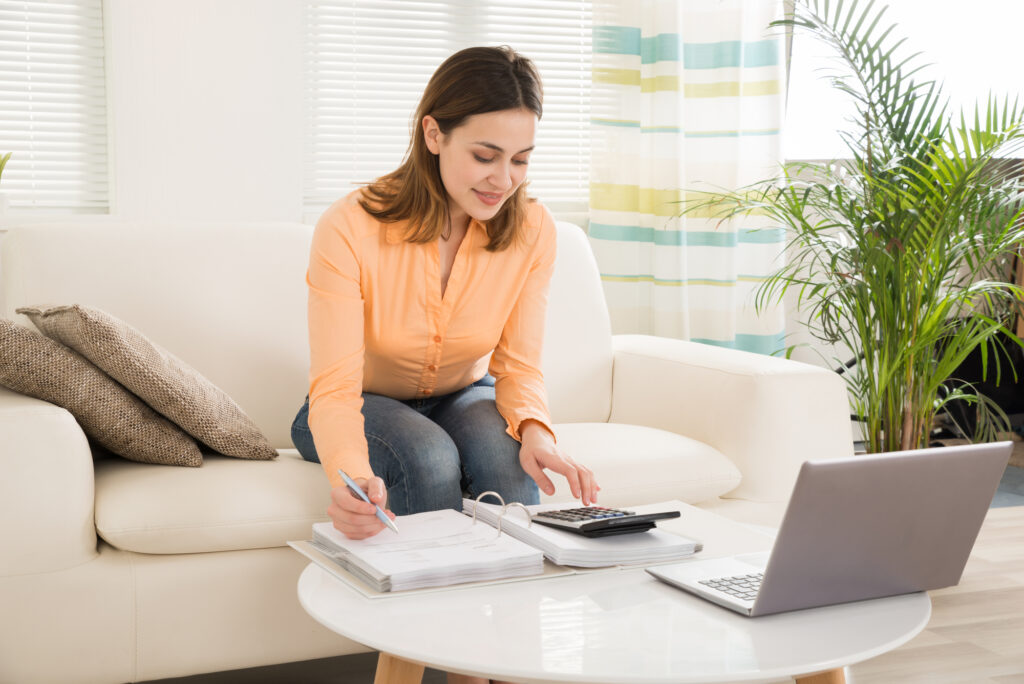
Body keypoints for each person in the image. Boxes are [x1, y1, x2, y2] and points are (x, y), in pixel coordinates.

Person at [291, 45, 599, 548]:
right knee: (427, 455)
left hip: (463, 392)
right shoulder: (349, 226)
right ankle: (423, 618)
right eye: (485, 156)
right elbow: (336, 387)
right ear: (434, 134)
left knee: (507, 456)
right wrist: (348, 482)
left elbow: (518, 366)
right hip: (365, 401)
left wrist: (539, 435)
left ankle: (515, 613)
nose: (504, 180)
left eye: (520, 160)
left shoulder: (534, 229)